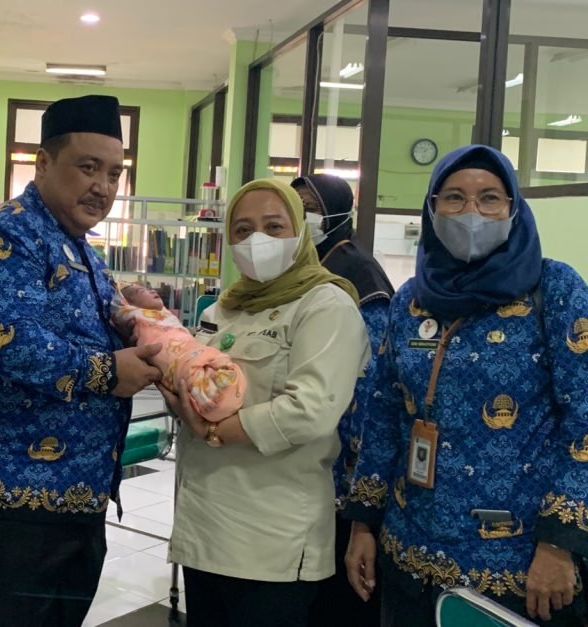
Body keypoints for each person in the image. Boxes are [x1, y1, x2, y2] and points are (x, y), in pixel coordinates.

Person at [0, 94, 163, 627]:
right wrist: (110, 372)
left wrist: (131, 315)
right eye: (88, 167)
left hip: (72, 495)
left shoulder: (78, 245)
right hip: (9, 500)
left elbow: (78, 325)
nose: (102, 186)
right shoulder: (7, 236)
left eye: (114, 173)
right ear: (44, 162)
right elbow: (5, 340)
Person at [343, 145, 588, 626]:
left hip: (522, 567)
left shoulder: (555, 290)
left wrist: (560, 543)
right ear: (432, 209)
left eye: (489, 198)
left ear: (513, 208)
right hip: (410, 551)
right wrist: (363, 523)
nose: (471, 211)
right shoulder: (411, 300)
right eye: (453, 197)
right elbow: (385, 413)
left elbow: (584, 420)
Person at [161, 178, 369, 627]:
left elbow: (310, 410)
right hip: (204, 529)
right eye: (243, 229)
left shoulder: (326, 305)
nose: (257, 240)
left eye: (274, 227)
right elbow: (194, 383)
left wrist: (214, 430)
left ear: (300, 233)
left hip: (273, 542)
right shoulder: (223, 308)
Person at [292, 174, 394, 627]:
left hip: (343, 472)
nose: (301, 218)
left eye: (309, 208)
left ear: (336, 215)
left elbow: (370, 385)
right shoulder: (302, 269)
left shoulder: (359, 277)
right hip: (303, 460)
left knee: (339, 598)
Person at [114, 283, 245, 421]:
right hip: (179, 362)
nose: (152, 290)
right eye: (141, 291)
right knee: (191, 375)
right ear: (128, 305)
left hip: (192, 357)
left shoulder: (165, 316)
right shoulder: (137, 318)